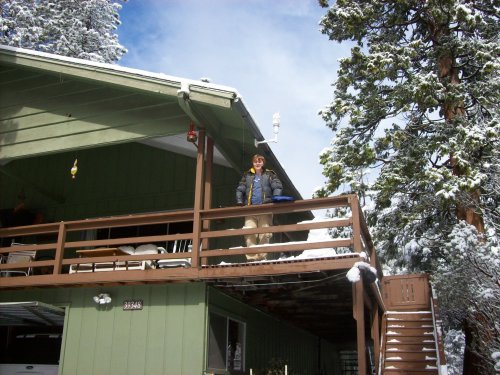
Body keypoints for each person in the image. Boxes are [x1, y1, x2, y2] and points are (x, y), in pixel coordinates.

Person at [236, 154, 282, 261]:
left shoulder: (269, 174)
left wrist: (276, 198)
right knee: (248, 232)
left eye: (260, 161)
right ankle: (252, 258)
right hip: (250, 209)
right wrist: (239, 200)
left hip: (265, 209)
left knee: (265, 233)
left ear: (263, 163)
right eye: (255, 161)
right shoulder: (247, 175)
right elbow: (240, 188)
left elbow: (277, 186)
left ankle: (261, 257)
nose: (257, 163)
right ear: (253, 163)